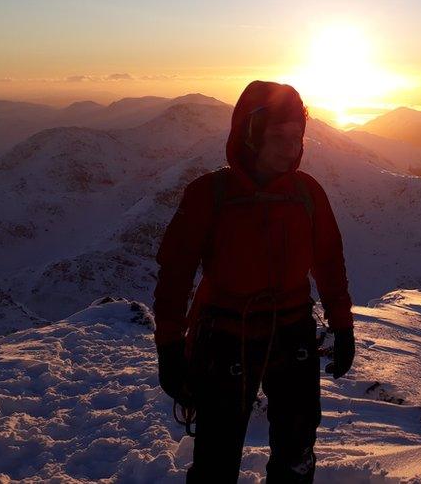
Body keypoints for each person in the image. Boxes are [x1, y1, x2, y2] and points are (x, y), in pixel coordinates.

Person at [152, 80, 356, 483]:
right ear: (249, 136)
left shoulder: (307, 194)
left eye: (297, 136)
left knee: (297, 452)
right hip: (226, 335)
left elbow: (329, 262)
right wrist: (170, 345)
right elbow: (175, 273)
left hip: (293, 334)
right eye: (278, 136)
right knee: (216, 457)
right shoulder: (209, 195)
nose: (291, 147)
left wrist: (343, 325)